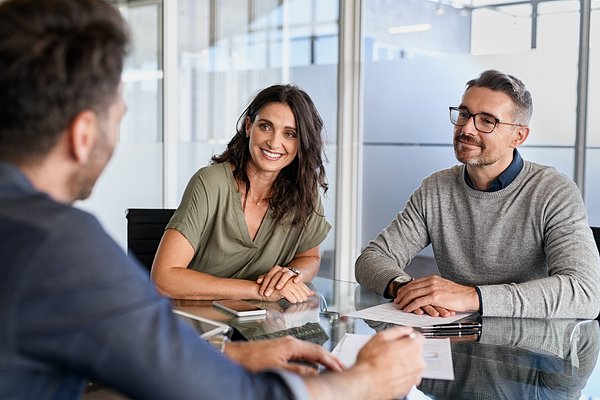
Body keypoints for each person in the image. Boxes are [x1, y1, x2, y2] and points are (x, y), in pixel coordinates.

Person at [0, 0, 426, 399]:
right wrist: (364, 379)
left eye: (290, 134)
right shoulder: (57, 246)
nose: (275, 141)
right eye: (120, 116)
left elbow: (127, 353)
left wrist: (234, 352)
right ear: (83, 134)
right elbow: (226, 392)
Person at [355, 69, 600, 319]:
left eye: (487, 120)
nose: (467, 129)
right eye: (464, 114)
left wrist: (471, 296)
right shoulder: (436, 188)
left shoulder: (552, 191)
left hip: (533, 349)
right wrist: (407, 288)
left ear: (518, 136)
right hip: (454, 342)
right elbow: (371, 259)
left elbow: (583, 292)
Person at [152, 84, 330, 303]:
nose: (274, 142)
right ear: (248, 127)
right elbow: (164, 278)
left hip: (261, 325)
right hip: (196, 323)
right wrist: (258, 291)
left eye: (290, 134)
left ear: (301, 141)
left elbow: (309, 257)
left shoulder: (304, 191)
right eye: (265, 127)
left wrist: (292, 275)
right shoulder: (210, 183)